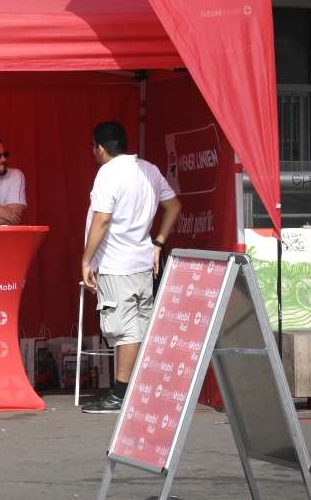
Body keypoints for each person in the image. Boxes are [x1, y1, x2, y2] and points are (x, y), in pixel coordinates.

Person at [80, 121, 181, 415]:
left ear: (100, 147)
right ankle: (136, 391)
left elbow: (101, 220)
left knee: (124, 331)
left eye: (93, 148)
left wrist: (86, 260)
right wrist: (158, 243)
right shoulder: (148, 168)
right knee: (138, 328)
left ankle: (121, 395)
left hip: (116, 263)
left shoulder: (108, 173)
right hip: (142, 263)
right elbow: (174, 206)